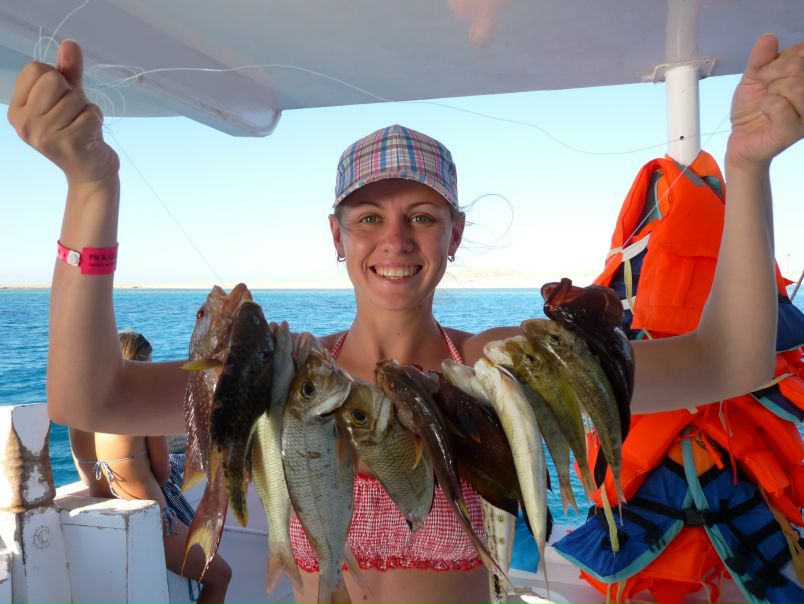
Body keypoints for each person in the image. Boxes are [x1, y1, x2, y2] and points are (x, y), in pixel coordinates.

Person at [7, 33, 803, 603]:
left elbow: (727, 362)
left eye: (422, 216)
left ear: (454, 236)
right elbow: (90, 396)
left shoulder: (495, 371)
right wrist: (92, 189)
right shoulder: (279, 378)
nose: (395, 239)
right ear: (337, 237)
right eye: (368, 218)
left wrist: (748, 165)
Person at [68, 331, 231, 604]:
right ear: (135, 367)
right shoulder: (138, 410)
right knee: (220, 576)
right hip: (154, 522)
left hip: (106, 522)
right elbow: (163, 472)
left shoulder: (77, 418)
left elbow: (87, 477)